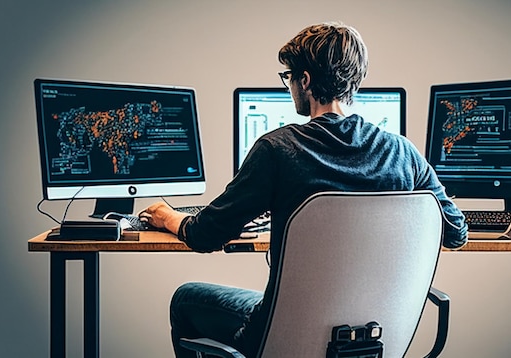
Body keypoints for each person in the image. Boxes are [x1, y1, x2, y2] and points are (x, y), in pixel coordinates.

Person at [139, 21, 468, 358]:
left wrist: (169, 217)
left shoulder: (277, 150)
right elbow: (456, 232)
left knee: (185, 298)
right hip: (375, 337)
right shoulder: (402, 153)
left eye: (289, 77)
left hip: (280, 339)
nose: (290, 86)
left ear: (305, 80)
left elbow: (206, 235)